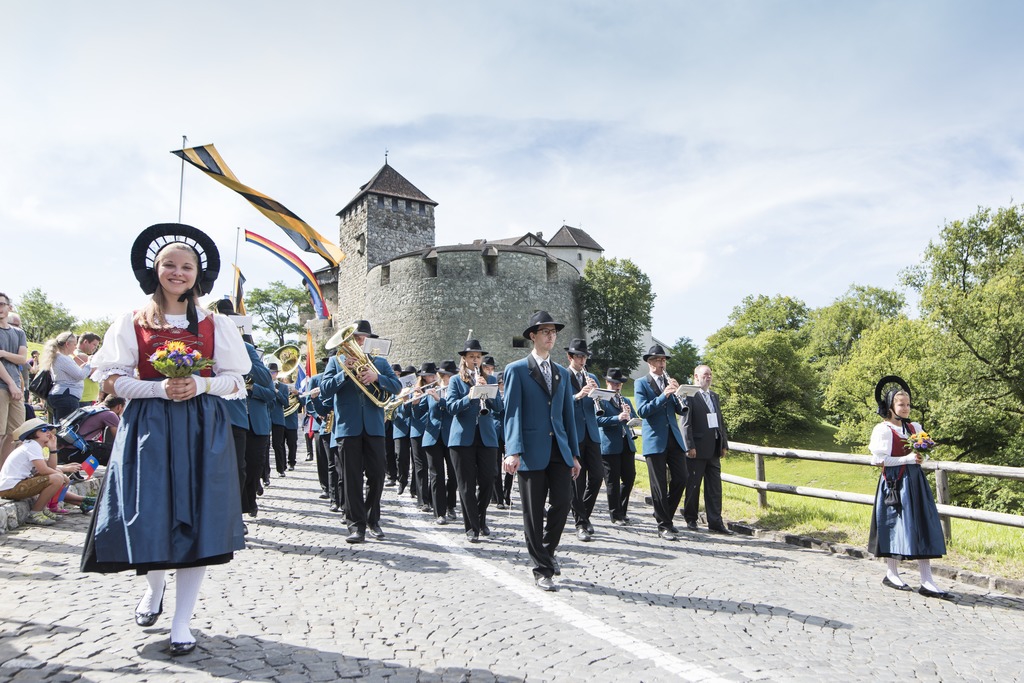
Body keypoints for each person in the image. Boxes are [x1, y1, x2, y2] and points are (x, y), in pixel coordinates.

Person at [80, 223, 251, 656]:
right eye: (169, 265)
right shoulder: (131, 320)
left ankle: (181, 623)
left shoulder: (216, 323)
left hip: (200, 428)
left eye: (186, 266)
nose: (178, 272)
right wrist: (158, 388)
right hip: (150, 427)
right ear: (155, 270)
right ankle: (153, 591)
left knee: (199, 521)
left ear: (198, 273)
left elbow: (237, 380)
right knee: (150, 514)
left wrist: (201, 384)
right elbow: (113, 382)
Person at [502, 311, 580, 591]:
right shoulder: (516, 370)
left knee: (562, 502)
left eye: (554, 332)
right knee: (533, 513)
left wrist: (573, 453)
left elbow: (567, 415)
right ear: (533, 336)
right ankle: (542, 569)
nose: (550, 335)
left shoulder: (561, 372)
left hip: (559, 449)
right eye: (544, 331)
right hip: (530, 450)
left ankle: (547, 551)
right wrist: (513, 450)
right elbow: (512, 413)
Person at [868, 375, 953, 600]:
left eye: (907, 404)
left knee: (923, 525)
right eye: (901, 404)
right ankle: (891, 573)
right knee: (895, 526)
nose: (906, 408)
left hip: (915, 482)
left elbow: (919, 457)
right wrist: (905, 459)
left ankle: (927, 580)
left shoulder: (914, 427)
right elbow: (877, 460)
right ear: (890, 406)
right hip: (894, 483)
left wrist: (918, 457)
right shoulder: (883, 429)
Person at [319, 320, 402, 543]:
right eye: (356, 337)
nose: (359, 341)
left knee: (376, 475)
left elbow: (397, 387)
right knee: (351, 477)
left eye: (363, 337)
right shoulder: (337, 362)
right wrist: (345, 373)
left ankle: (372, 518)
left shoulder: (380, 362)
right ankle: (356, 526)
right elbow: (325, 389)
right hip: (348, 426)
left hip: (374, 426)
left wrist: (378, 378)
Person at [447, 339, 502, 543]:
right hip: (462, 438)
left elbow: (498, 407)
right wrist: (470, 395)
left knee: (488, 480)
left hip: (486, 436)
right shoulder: (455, 380)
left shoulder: (489, 378)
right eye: (472, 357)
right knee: (466, 485)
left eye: (478, 357)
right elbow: (451, 407)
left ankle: (480, 517)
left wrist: (487, 389)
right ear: (464, 359)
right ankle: (472, 527)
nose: (476, 360)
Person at [635, 344, 688, 541]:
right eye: (658, 360)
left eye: (664, 360)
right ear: (650, 362)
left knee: (682, 477)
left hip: (674, 438)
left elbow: (680, 410)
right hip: (655, 440)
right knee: (659, 485)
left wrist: (679, 395)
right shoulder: (641, 383)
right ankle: (664, 525)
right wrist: (663, 395)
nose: (662, 363)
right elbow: (642, 411)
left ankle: (665, 515)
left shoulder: (669, 382)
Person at [0, 418, 90, 524]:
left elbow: (50, 467)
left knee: (57, 477)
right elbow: (44, 470)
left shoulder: (34, 446)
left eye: (49, 429)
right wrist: (61, 475)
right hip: (10, 487)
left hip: (13, 486)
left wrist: (53, 449)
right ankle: (35, 513)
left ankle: (42, 509)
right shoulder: (32, 445)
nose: (48, 432)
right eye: (43, 430)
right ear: (32, 434)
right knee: (57, 478)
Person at [680, 365, 733, 534]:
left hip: (714, 449)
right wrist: (689, 446)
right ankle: (691, 518)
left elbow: (720, 422)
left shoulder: (714, 396)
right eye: (705, 374)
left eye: (710, 374)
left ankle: (715, 521)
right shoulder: (690, 396)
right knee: (693, 486)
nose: (708, 377)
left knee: (715, 488)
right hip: (697, 449)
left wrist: (724, 444)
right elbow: (685, 423)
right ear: (696, 376)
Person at [564, 338, 603, 542]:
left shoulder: (592, 376)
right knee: (577, 480)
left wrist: (597, 395)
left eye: (584, 356)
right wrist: (578, 395)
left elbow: (597, 403)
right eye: (578, 356)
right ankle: (580, 523)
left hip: (592, 432)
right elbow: (560, 404)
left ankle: (583, 515)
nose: (582, 359)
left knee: (597, 476)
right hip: (573, 433)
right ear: (570, 357)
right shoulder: (563, 376)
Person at [595, 368, 637, 525]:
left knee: (629, 478)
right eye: (613, 383)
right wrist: (617, 418)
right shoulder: (601, 399)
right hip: (609, 445)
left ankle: (622, 510)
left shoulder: (625, 400)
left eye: (619, 383)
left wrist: (629, 416)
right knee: (612, 482)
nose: (617, 386)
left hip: (627, 443)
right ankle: (616, 514)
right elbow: (597, 421)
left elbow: (634, 417)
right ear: (607, 382)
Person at [57, 395, 126, 467]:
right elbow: (119, 439)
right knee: (116, 451)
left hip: (63, 451)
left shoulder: (90, 408)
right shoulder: (110, 414)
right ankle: (113, 475)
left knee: (97, 447)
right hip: (78, 452)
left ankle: (77, 472)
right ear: (119, 407)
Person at [0, 292, 28, 465]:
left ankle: (3, 474)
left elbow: (22, 359)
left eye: (2, 304)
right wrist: (10, 384)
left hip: (16, 387)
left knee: (16, 433)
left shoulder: (18, 333)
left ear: (9, 307)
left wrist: (2, 353)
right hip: (3, 386)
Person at [40, 332, 92, 422]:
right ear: (67, 344)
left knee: (58, 427)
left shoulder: (57, 357)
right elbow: (80, 375)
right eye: (74, 344)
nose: (76, 347)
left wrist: (82, 368)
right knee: (66, 429)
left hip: (59, 394)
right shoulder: (63, 358)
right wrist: (89, 364)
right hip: (67, 396)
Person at [75, 333, 102, 406]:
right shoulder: (82, 356)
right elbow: (94, 373)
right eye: (94, 344)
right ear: (85, 342)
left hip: (85, 398)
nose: (95, 348)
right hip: (84, 398)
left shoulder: (75, 354)